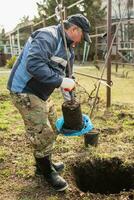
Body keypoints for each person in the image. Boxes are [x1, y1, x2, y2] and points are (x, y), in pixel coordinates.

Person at [7, 14, 91, 192]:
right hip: (24, 89)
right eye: (82, 35)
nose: (82, 40)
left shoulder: (70, 50)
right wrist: (61, 81)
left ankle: (44, 164)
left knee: (52, 125)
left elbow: (67, 79)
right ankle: (47, 172)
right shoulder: (48, 36)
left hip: (42, 93)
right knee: (42, 132)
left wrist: (71, 102)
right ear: (74, 29)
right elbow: (34, 64)